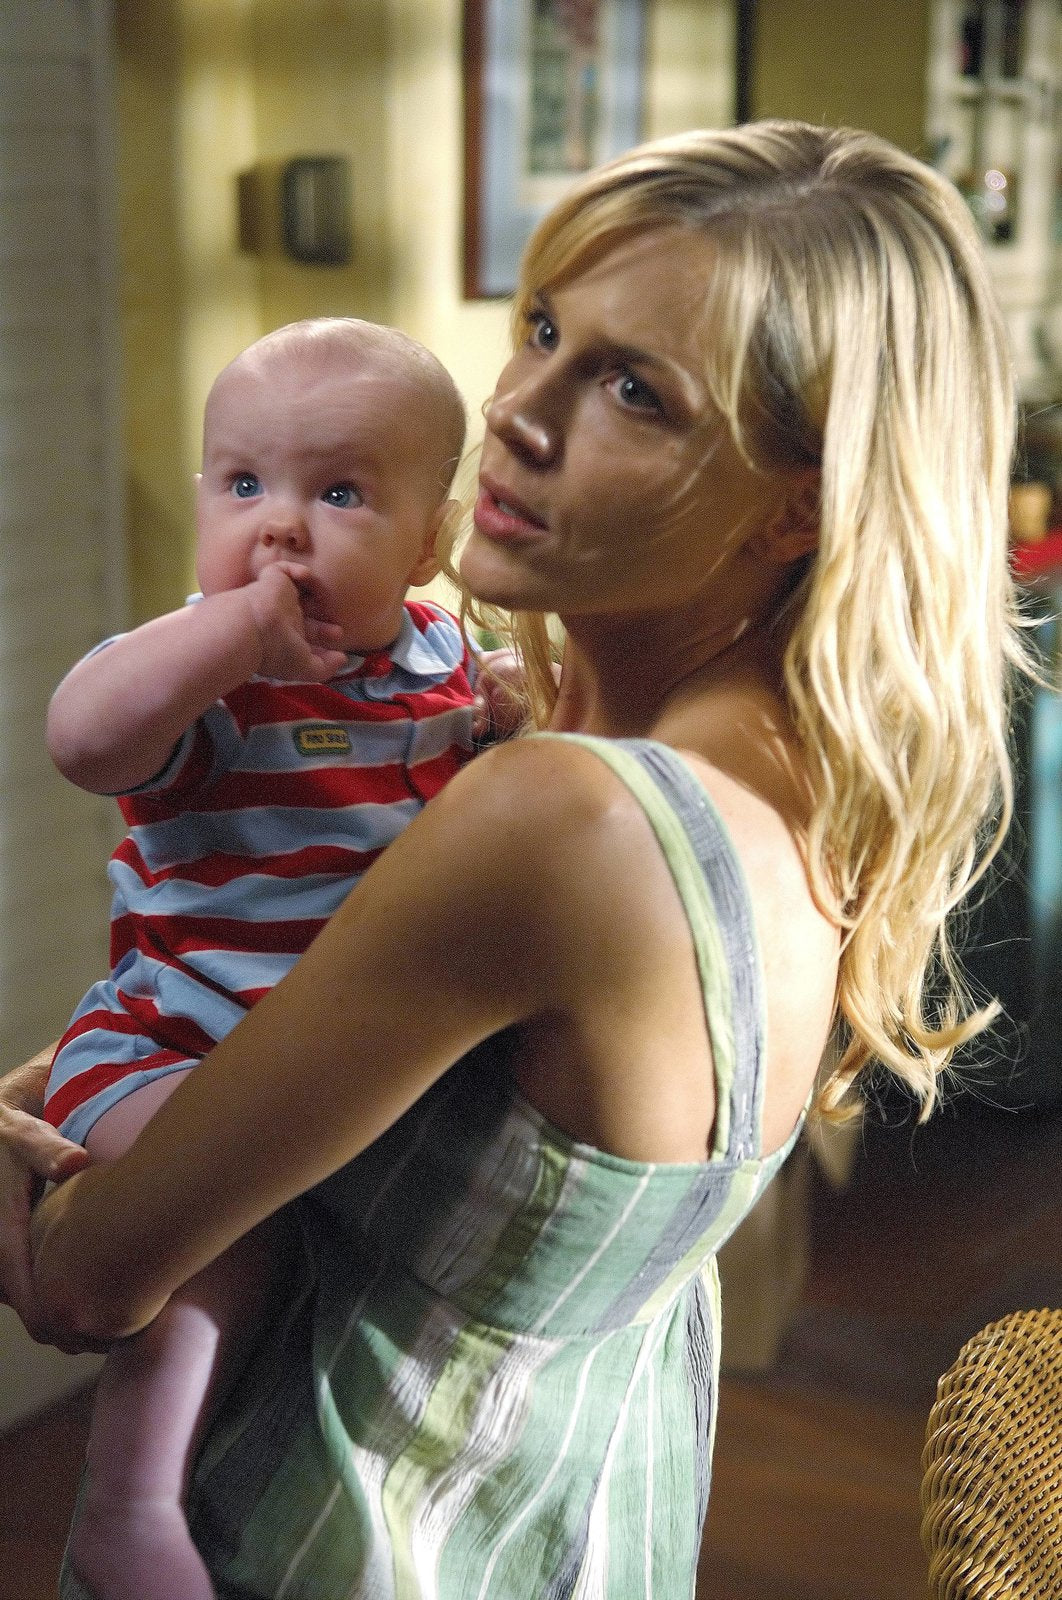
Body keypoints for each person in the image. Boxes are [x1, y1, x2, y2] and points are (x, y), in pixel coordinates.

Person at [0, 121, 1024, 1599]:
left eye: (634, 389)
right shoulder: (782, 768)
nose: (518, 414)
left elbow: (91, 1278)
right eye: (544, 331)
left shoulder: (563, 821)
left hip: (339, 1542)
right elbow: (330, 1020)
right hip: (577, 1531)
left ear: (798, 501)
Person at [34, 315, 482, 1600]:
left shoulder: (442, 664)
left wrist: (512, 705)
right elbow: (82, 736)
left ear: (429, 545)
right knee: (231, 1229)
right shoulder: (202, 679)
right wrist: (229, 640)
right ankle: (126, 1505)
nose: (279, 528)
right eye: (243, 485)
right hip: (165, 1054)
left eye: (339, 494)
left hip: (326, 1072)